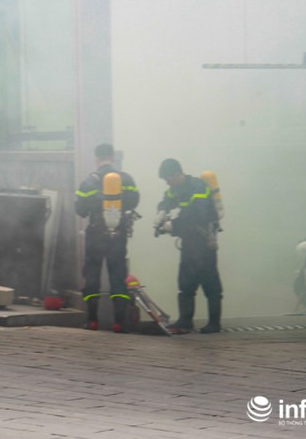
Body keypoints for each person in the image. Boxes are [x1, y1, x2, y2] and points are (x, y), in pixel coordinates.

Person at [75, 143, 140, 333]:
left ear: (97, 159)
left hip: (95, 234)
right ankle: (119, 323)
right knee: (118, 277)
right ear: (113, 157)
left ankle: (92, 320)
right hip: (118, 235)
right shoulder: (126, 179)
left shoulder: (88, 182)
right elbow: (134, 201)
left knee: (92, 276)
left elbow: (80, 210)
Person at [155, 158, 222, 334]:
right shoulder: (176, 188)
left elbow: (197, 215)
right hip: (189, 242)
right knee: (185, 282)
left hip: (204, 240)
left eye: (168, 178)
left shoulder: (197, 187)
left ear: (178, 174)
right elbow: (167, 200)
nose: (167, 182)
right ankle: (185, 321)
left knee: (210, 282)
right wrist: (162, 211)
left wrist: (173, 225)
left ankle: (214, 323)